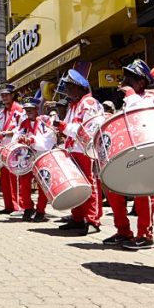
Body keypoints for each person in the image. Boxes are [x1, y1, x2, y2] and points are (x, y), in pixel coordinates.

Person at [102, 60, 154, 249]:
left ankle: (145, 235)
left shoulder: (149, 99)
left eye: (129, 78)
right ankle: (123, 231)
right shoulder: (129, 100)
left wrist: (130, 94)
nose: (124, 82)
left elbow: (142, 118)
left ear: (141, 82)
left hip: (146, 151)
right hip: (127, 151)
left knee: (143, 193)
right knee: (113, 189)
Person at [56, 69, 104, 235]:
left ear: (79, 87)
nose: (67, 90)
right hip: (73, 149)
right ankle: (77, 218)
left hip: (84, 150)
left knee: (89, 184)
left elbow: (90, 128)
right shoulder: (74, 105)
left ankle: (92, 220)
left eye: (70, 87)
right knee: (75, 184)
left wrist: (64, 127)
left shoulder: (89, 103)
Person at [17, 97, 56, 222]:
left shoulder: (45, 121)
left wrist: (33, 140)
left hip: (41, 156)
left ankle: (40, 211)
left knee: (42, 184)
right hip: (27, 158)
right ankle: (28, 207)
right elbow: (18, 135)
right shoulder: (23, 123)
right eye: (26, 110)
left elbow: (49, 139)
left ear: (36, 109)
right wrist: (20, 139)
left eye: (30, 109)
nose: (28, 112)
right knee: (23, 184)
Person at [0, 84, 26, 215]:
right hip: (4, 148)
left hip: (15, 149)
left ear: (13, 95)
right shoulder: (2, 112)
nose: (4, 97)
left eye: (7, 95)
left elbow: (21, 129)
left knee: (15, 179)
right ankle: (9, 206)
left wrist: (3, 133)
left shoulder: (20, 110)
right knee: (5, 179)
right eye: (3, 95)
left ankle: (18, 207)